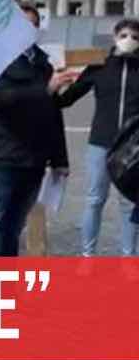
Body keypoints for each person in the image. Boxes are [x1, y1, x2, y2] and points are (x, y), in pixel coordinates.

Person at [0, 3, 75, 257]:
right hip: (0, 157)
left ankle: (4, 289)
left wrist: (59, 158)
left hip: (33, 159)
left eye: (33, 24)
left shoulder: (43, 63)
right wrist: (44, 90)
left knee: (12, 228)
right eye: (22, 24)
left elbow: (52, 112)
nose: (28, 30)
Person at [55, 18, 139, 256]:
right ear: (115, 37)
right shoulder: (99, 66)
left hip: (132, 148)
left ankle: (128, 258)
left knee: (129, 203)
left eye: (134, 37)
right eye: (124, 35)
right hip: (100, 143)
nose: (129, 40)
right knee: (94, 200)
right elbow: (67, 99)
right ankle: (87, 256)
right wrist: (56, 83)